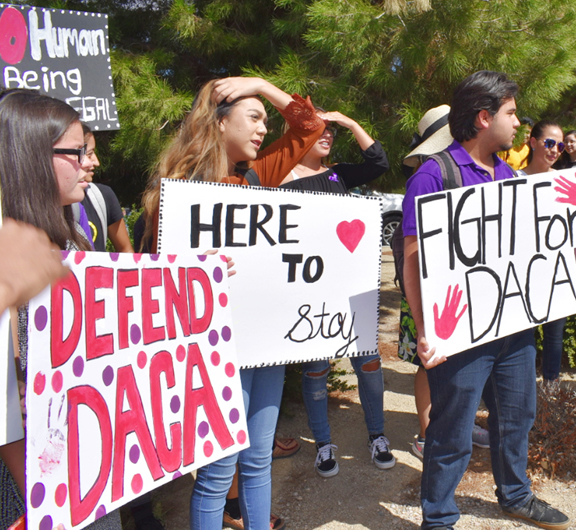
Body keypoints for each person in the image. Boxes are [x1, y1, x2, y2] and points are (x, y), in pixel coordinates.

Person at [140, 76, 325, 530]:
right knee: (218, 473)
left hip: (265, 340)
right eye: (254, 117)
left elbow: (309, 128)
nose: (264, 129)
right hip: (215, 347)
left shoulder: (257, 174)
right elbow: (155, 279)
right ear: (219, 124)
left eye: (265, 119)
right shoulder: (177, 192)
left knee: (258, 460)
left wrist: (260, 84)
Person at [402, 71, 571, 530]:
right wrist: (424, 331)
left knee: (517, 416)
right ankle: (438, 516)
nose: (518, 123)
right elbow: (413, 265)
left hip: (514, 329)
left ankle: (516, 496)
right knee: (452, 431)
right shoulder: (434, 175)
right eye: (511, 113)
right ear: (483, 117)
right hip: (459, 335)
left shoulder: (510, 177)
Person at [0, 89, 121, 530]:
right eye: (79, 151)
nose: (92, 162)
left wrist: (198, 279)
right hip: (45, 484)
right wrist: (40, 494)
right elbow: (6, 403)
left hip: (92, 463)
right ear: (32, 156)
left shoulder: (73, 240)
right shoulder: (8, 257)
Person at [279, 109, 395, 476]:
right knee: (316, 370)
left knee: (369, 363)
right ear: (297, 135)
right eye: (318, 130)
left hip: (351, 289)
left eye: (331, 131)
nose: (328, 136)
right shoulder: (278, 180)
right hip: (309, 293)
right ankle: (324, 443)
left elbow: (378, 160)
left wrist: (350, 121)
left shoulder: (339, 173)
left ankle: (377, 435)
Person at [398, 105, 492, 460]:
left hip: (459, 286)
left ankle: (457, 424)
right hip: (427, 286)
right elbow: (413, 249)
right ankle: (427, 432)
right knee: (429, 363)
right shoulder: (427, 176)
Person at [517, 120, 576, 386]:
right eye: (549, 143)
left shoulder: (566, 183)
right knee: (522, 336)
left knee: (554, 335)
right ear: (532, 141)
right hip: (521, 274)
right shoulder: (512, 179)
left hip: (555, 271)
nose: (555, 150)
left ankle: (550, 388)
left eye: (560, 146)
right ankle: (523, 388)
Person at [77, 125, 134, 253]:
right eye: (89, 154)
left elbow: (126, 251)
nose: (96, 162)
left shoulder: (102, 196)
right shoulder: (36, 206)